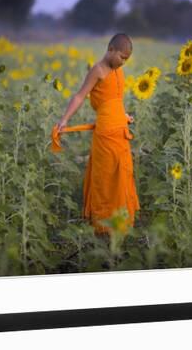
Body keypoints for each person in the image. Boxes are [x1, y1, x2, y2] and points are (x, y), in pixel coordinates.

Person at [51, 33, 140, 237]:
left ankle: (122, 220)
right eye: (122, 57)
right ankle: (104, 225)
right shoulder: (98, 70)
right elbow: (80, 95)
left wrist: (124, 115)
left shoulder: (118, 71)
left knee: (122, 174)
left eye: (127, 59)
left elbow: (114, 100)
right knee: (106, 177)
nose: (123, 62)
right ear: (110, 50)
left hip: (120, 132)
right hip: (106, 134)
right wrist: (64, 120)